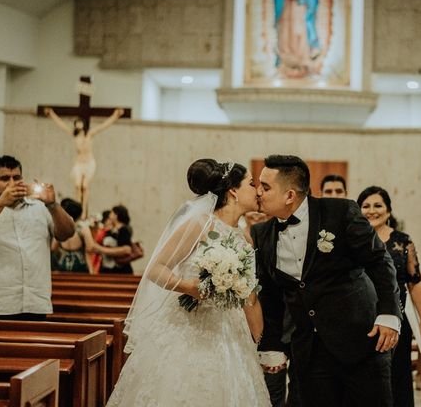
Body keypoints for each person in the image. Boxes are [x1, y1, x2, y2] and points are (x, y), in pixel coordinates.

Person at [106, 159, 271, 406]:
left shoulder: (246, 236)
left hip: (230, 333)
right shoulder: (199, 224)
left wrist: (262, 343)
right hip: (188, 328)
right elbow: (156, 269)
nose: (258, 190)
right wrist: (188, 287)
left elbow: (249, 295)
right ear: (233, 190)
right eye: (251, 183)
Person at [253, 155, 402, 406]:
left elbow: (379, 261)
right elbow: (270, 294)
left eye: (265, 187)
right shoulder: (262, 233)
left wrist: (388, 312)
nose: (257, 192)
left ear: (290, 195)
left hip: (361, 340)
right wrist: (272, 344)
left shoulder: (340, 212)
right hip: (309, 350)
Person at [0, 155, 75, 320]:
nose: (11, 183)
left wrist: (53, 205)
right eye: (4, 179)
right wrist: (0, 203)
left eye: (16, 177)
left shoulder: (40, 207)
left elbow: (67, 233)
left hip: (34, 304)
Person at [357, 185, 421, 407]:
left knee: (397, 376)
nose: (372, 210)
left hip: (396, 319)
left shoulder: (403, 241)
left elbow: (415, 283)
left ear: (388, 210)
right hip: (361, 320)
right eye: (366, 206)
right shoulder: (353, 239)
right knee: (363, 377)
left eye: (378, 205)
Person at [44, 106, 124, 218]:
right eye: (76, 122)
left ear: (83, 124)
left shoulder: (89, 134)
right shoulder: (74, 135)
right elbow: (61, 124)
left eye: (80, 122)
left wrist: (115, 116)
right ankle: (78, 208)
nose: (78, 124)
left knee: (85, 186)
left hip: (89, 163)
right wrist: (51, 114)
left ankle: (84, 211)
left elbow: (103, 126)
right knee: (77, 186)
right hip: (79, 163)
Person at [274, 0, 321, 79]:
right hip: (288, 10)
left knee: (300, 33)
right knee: (287, 35)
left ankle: (303, 61)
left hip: (301, 10)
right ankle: (287, 62)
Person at [51, 198, 95, 272]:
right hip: (79, 264)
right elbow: (90, 247)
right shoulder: (83, 228)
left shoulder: (60, 228)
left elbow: (53, 247)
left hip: (63, 263)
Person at [88, 204, 134, 274]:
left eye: (112, 213)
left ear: (116, 215)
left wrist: (101, 249)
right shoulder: (109, 230)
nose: (109, 215)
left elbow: (127, 250)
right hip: (106, 269)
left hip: (120, 271)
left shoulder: (123, 230)